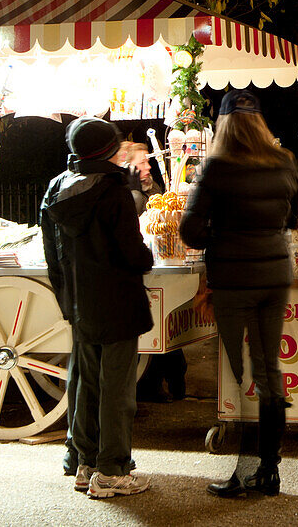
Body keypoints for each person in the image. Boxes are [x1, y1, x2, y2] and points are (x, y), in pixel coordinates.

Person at [179, 89, 298, 498]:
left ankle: (244, 472)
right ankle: (269, 470)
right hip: (275, 275)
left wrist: (223, 234)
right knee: (269, 371)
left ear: (224, 125)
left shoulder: (216, 168)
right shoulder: (284, 161)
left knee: (237, 373)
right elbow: (293, 217)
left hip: (234, 279)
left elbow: (190, 231)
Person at [40, 116, 155, 499]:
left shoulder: (57, 187)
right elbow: (132, 252)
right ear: (108, 150)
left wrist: (66, 296)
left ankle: (81, 461)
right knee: (117, 387)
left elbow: (51, 255)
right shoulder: (112, 189)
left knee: (84, 382)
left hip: (78, 300)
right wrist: (147, 258)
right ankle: (111, 470)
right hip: (118, 300)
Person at [125, 142, 188, 402]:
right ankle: (159, 384)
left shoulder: (149, 191)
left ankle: (168, 381)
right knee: (160, 330)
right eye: (141, 163)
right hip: (139, 277)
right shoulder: (132, 198)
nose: (147, 166)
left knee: (166, 327)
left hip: (152, 273)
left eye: (147, 161)